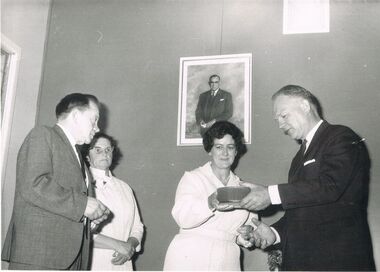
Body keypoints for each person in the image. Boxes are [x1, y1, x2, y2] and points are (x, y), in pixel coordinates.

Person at [238, 85, 376, 271]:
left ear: (304, 105)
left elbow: (330, 187)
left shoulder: (341, 137)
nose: (280, 124)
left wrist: (270, 194)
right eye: (277, 119)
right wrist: (274, 233)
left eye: (284, 115)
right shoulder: (298, 157)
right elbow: (302, 211)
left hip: (338, 262)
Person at [1, 93, 111, 270]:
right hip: (40, 255)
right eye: (94, 119)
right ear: (76, 115)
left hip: (71, 259)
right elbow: (33, 184)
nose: (97, 128)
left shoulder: (79, 158)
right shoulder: (43, 134)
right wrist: (83, 205)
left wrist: (91, 217)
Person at [163, 121, 257, 271]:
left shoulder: (244, 188)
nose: (225, 153)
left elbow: (251, 228)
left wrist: (247, 234)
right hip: (191, 255)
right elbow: (182, 218)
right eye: (219, 147)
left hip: (228, 259)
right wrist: (210, 202)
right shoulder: (193, 178)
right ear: (209, 150)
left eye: (230, 147)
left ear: (236, 151)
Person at [84, 132, 144, 271]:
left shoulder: (125, 188)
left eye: (108, 150)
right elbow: (80, 231)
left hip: (124, 263)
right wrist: (118, 245)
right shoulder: (82, 185)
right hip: (95, 261)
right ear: (87, 156)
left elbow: (138, 226)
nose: (104, 154)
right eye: (97, 150)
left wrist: (130, 246)